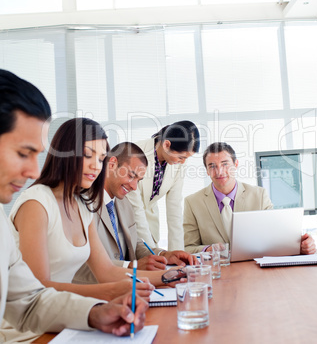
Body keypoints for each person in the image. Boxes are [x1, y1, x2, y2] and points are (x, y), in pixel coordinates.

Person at [0, 69, 147, 343]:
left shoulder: (81, 204)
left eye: (102, 158)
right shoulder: (36, 202)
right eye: (23, 153)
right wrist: (109, 293)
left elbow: (29, 300)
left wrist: (96, 313)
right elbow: (41, 287)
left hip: (55, 326)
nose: (33, 170)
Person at [74, 142, 197, 285]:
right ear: (112, 164)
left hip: (129, 289)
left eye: (138, 180)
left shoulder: (124, 203)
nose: (133, 187)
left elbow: (135, 243)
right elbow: (79, 263)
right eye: (131, 176)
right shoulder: (81, 203)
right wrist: (131, 266)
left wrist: (163, 255)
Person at [183, 142, 316, 255]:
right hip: (218, 273)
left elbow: (277, 235)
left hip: (255, 270)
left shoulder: (259, 196)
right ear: (206, 170)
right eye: (212, 166)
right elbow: (187, 248)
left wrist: (302, 245)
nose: (219, 171)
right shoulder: (193, 202)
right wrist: (208, 249)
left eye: (225, 164)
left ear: (236, 164)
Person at [127, 121, 200, 251]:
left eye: (186, 158)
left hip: (150, 225)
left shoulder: (179, 164)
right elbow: (136, 207)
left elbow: (175, 208)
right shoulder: (135, 153)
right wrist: (153, 253)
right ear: (167, 144)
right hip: (127, 222)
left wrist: (177, 253)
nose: (183, 162)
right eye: (181, 157)